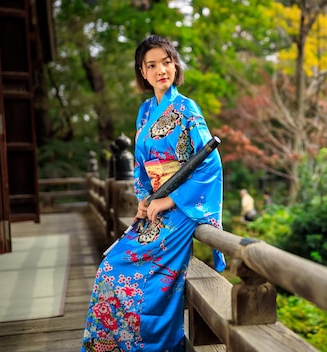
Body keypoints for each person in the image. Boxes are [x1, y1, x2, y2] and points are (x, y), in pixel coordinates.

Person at [81, 35, 226, 352]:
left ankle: (151, 344)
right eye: (152, 65)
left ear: (175, 64)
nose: (161, 69)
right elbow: (141, 165)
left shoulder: (187, 109)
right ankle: (119, 345)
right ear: (142, 72)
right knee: (111, 267)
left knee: (131, 273)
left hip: (181, 207)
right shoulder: (145, 111)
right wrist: (145, 199)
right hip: (157, 205)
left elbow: (209, 165)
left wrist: (168, 200)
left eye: (167, 61)